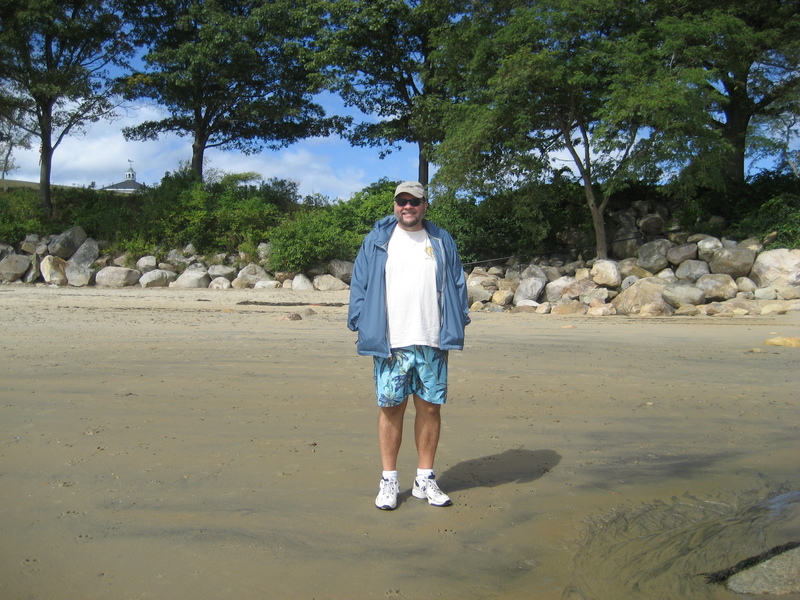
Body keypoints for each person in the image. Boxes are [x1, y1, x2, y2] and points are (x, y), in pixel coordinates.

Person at [347, 181, 470, 510]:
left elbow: (458, 282)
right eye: (402, 201)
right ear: (394, 205)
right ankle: (389, 480)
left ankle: (424, 478)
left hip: (433, 339)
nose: (408, 207)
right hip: (391, 341)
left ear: (425, 205)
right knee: (391, 408)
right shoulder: (377, 239)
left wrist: (460, 318)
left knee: (430, 408)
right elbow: (360, 282)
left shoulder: (440, 239)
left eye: (414, 201)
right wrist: (358, 320)